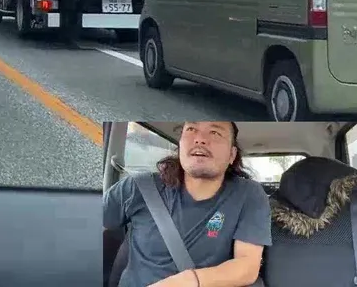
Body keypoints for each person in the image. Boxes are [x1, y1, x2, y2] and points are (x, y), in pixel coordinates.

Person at [104, 121, 270, 287]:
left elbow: (247, 265)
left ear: (232, 155)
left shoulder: (248, 194)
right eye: (191, 129)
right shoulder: (137, 187)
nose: (200, 139)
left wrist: (187, 281)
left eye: (215, 132)